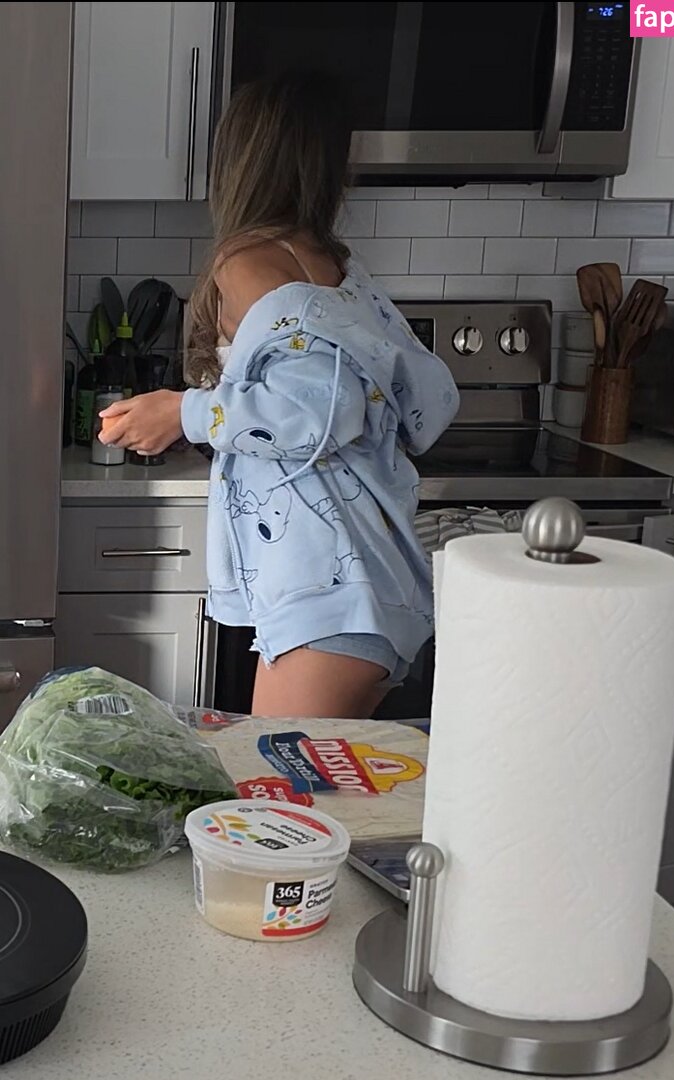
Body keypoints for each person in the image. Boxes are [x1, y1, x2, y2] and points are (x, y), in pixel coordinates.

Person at [98, 71, 459, 720]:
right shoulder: (338, 265)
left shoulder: (247, 260)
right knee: (310, 779)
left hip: (328, 589)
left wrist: (180, 412)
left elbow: (318, 410)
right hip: (367, 580)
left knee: (278, 779)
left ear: (239, 158)